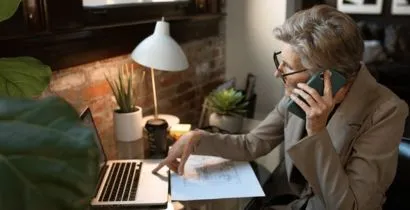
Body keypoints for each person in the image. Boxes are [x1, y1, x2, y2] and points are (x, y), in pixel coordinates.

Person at [153, 4, 409, 210]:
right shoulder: (298, 91)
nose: (277, 73)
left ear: (324, 78)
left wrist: (317, 132)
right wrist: (198, 138)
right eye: (280, 60)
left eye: (287, 66)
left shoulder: (387, 111)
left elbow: (347, 205)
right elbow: (253, 144)